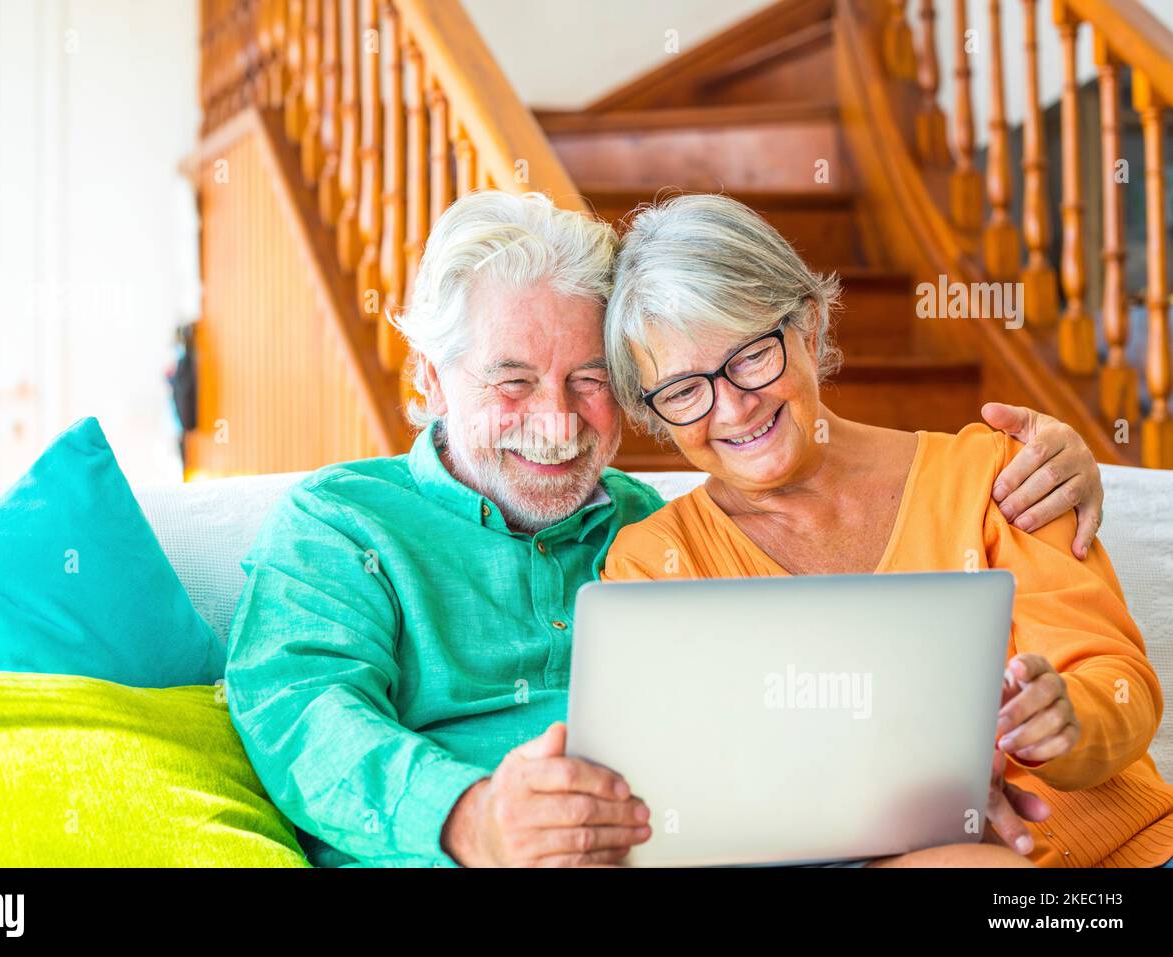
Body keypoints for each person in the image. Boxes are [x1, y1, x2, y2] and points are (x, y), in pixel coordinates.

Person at [226, 190, 1106, 867]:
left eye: (587, 379)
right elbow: (297, 711)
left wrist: (918, 792)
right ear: (430, 377)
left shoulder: (671, 530)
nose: (558, 422)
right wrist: (474, 818)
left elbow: (806, 710)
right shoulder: (341, 522)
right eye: (513, 380)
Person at [601, 193, 1173, 868]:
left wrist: (1064, 719)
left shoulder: (994, 475)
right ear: (653, 412)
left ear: (808, 327)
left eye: (751, 356)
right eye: (683, 390)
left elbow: (1119, 682)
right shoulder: (656, 564)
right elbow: (694, 791)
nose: (732, 405)